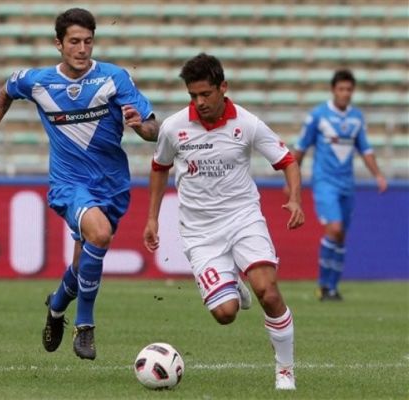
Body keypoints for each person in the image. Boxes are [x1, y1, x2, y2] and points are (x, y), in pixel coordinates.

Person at [0, 8, 159, 360]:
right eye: (74, 41)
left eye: (88, 41)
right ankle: (84, 326)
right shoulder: (38, 81)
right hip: (69, 184)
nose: (82, 49)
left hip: (112, 185)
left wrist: (140, 126)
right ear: (59, 44)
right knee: (100, 234)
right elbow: (3, 95)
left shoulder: (114, 78)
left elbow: (152, 130)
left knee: (82, 263)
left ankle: (56, 307)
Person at [143, 53, 305, 390]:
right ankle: (233, 286)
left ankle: (285, 370)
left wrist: (294, 198)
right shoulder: (174, 128)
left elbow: (287, 160)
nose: (199, 102)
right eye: (192, 96)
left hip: (244, 219)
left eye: (205, 94)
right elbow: (160, 168)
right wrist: (152, 218)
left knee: (269, 292)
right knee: (226, 314)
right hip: (200, 232)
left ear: (223, 88)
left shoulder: (247, 123)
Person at [294, 69, 387, 301]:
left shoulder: (357, 118)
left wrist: (378, 174)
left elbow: (365, 149)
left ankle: (333, 288)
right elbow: (301, 148)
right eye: (341, 89)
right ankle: (323, 285)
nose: (345, 93)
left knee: (341, 235)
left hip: (347, 184)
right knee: (333, 229)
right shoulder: (318, 115)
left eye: (349, 89)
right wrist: (292, 181)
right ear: (333, 90)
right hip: (325, 182)